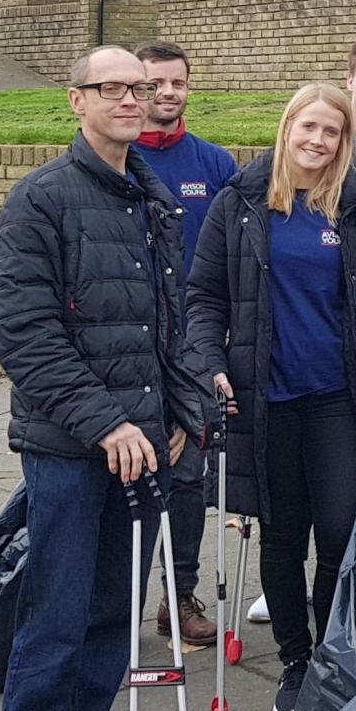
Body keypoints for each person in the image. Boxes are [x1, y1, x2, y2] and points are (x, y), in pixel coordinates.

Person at [0, 47, 209, 711]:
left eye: (138, 89)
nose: (128, 100)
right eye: (110, 87)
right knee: (58, 613)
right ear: (75, 99)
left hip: (145, 444)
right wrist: (107, 422)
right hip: (71, 449)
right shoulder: (40, 200)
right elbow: (24, 332)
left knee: (115, 612)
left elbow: (169, 322)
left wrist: (181, 411)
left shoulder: (152, 197)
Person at [183, 84, 356, 711]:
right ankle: (295, 659)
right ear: (287, 128)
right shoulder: (239, 203)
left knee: (340, 531)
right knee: (284, 536)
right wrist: (208, 365)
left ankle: (337, 653)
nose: (317, 140)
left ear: (344, 142)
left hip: (339, 397)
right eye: (307, 127)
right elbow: (202, 298)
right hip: (266, 399)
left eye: (331, 132)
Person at [130, 41, 237, 649]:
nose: (165, 94)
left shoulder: (214, 163)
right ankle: (114, 599)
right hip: (128, 343)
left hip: (193, 344)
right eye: (153, 84)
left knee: (188, 473)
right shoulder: (117, 160)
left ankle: (180, 596)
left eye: (176, 83)